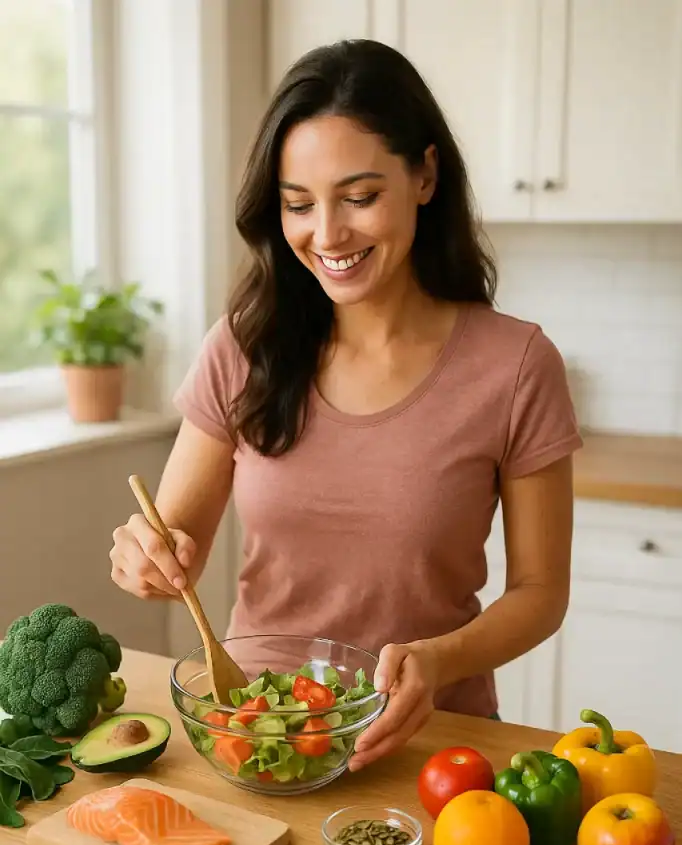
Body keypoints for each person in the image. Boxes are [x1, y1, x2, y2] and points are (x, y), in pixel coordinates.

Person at [109, 39, 582, 772]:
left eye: (359, 198)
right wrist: (149, 556)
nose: (326, 236)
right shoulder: (244, 346)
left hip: (433, 746)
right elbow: (174, 542)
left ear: (425, 175)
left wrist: (438, 658)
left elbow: (541, 593)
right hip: (259, 731)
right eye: (299, 205)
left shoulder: (517, 366)